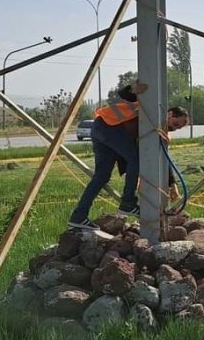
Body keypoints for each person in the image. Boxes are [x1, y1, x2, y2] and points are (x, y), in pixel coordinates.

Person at [68, 82, 189, 230]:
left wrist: (172, 184)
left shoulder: (158, 129)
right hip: (109, 126)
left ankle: (78, 217)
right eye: (176, 124)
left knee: (102, 176)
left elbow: (163, 156)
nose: (175, 129)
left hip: (102, 129)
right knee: (137, 160)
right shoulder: (152, 109)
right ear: (169, 114)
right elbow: (124, 94)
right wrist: (133, 88)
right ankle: (128, 203)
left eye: (179, 128)